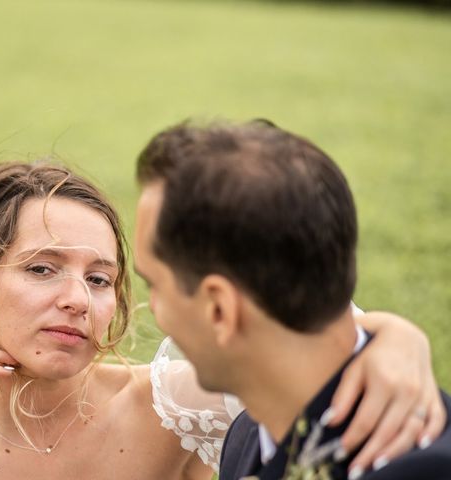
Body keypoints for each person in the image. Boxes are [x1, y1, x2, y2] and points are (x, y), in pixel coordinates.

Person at [0, 161, 442, 480]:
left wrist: (392, 335)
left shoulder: (174, 403)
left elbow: (297, 339)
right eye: (43, 269)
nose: (78, 300)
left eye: (99, 279)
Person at [133, 119, 451, 480]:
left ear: (220, 309)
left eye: (154, 285)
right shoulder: (247, 434)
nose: (154, 309)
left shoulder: (427, 469)